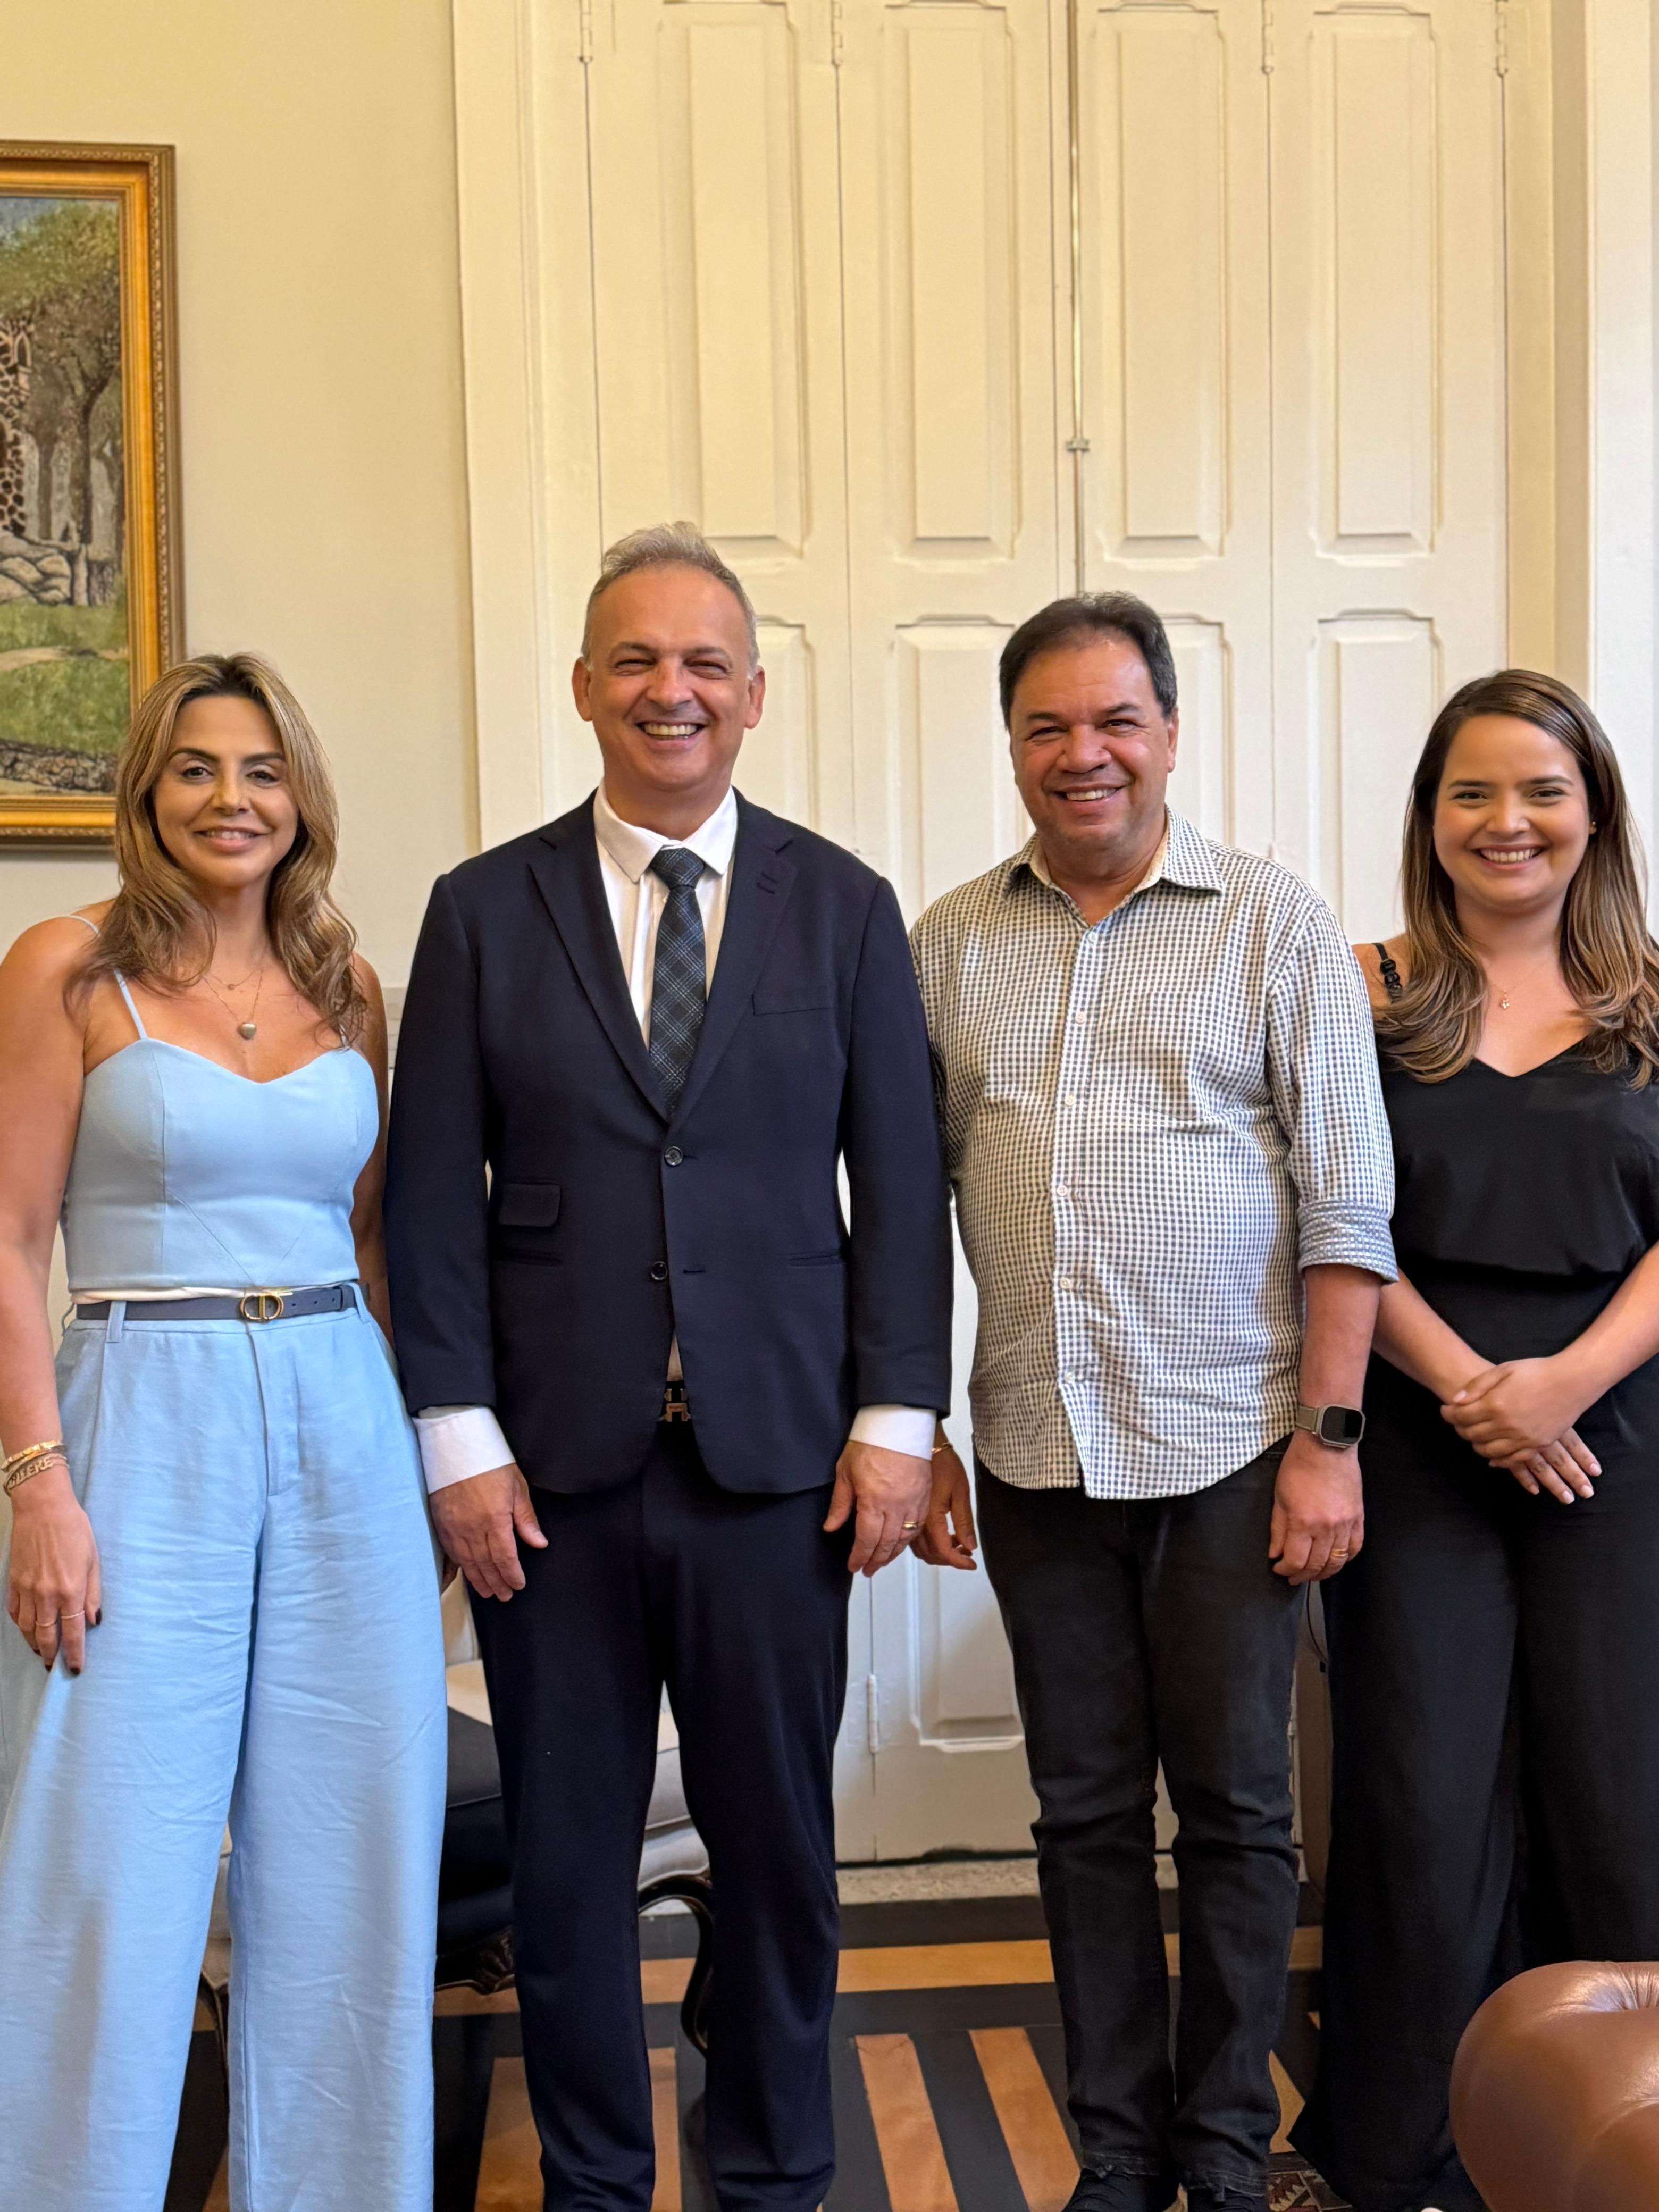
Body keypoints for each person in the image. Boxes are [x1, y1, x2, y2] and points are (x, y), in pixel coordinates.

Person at [384, 523, 954, 2212]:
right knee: (563, 1869)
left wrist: (898, 1424)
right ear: (581, 688)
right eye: (635, 660)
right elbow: (430, 1207)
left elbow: (900, 1190)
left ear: (756, 694)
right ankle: (594, 2181)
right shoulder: (482, 913)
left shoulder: (845, 909)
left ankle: (775, 2172)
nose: (671, 690)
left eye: (705, 662)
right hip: (547, 1481)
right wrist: (459, 1446)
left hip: (780, 1474)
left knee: (779, 1852)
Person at [908, 592, 1395, 2212]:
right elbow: (903, 1208)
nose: (1083, 754)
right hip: (1041, 1447)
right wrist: (911, 1430)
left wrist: (1330, 1445)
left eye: (1115, 720)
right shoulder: (951, 942)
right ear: (1014, 748)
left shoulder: (1272, 924)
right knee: (1085, 1815)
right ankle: (1116, 2147)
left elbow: (1348, 1209)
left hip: (1235, 1450)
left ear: (1171, 734)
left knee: (1244, 1817)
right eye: (1047, 726)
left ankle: (1222, 2143)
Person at [0, 654, 446, 2207]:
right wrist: (37, 1487)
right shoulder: (66, 968)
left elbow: (377, 1247)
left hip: (340, 1417)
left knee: (350, 1850)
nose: (230, 798)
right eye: (196, 767)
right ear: (147, 792)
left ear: (300, 798)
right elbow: (7, 1234)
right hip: (143, 1410)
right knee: (107, 1858)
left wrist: (422, 1469)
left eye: (261, 769)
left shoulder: (351, 992)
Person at [1291, 671, 1659, 2212]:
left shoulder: (1658, 998)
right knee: (1419, 1793)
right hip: (1422, 1436)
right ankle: (1397, 2155)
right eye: (1472, 794)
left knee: (1616, 1787)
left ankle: (1616, 2133)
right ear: (1430, 821)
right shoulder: (1362, 992)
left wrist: (1565, 1382)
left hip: (1619, 1432)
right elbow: (1325, 1224)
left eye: (1543, 791)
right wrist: (1476, 1393)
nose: (1509, 822)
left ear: (1595, 816)